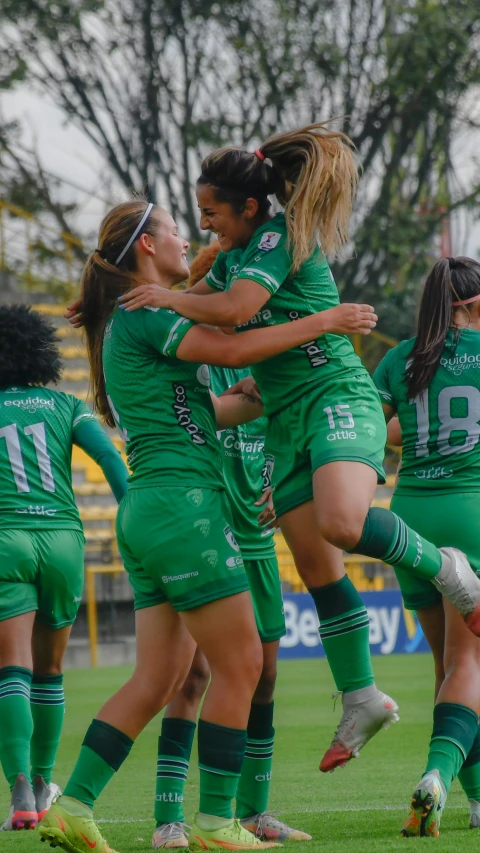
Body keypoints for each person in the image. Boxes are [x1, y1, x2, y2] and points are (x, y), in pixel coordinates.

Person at [117, 123, 480, 774]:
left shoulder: (282, 236)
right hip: (284, 418)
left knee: (342, 523)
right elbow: (202, 315)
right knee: (319, 567)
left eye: (211, 214)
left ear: (250, 208)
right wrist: (175, 297)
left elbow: (231, 312)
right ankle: (362, 695)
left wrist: (170, 293)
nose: (205, 227)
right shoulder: (229, 257)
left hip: (336, 396)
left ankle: (452, 570)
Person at [40, 200, 378, 853]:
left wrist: (254, 393)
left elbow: (204, 410)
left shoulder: (131, 315)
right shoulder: (148, 311)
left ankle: (73, 804)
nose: (186, 235)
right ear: (145, 246)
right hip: (185, 506)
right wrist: (325, 321)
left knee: (156, 679)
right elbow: (233, 339)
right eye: (171, 226)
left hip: (151, 507)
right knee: (244, 661)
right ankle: (218, 821)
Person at [151, 243, 310, 849]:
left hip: (256, 534)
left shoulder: (266, 355)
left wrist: (283, 478)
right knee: (191, 676)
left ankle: (255, 811)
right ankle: (170, 816)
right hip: (205, 530)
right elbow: (203, 420)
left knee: (264, 674)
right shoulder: (192, 354)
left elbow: (288, 429)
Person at [0, 305, 128, 832]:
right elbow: (114, 464)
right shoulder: (64, 405)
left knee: (12, 671)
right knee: (51, 671)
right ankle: (46, 779)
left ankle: (20, 796)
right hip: (61, 541)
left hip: (5, 539)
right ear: (42, 354)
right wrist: (136, 519)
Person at [373, 256, 480, 837]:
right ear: (470, 301)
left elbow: (369, 429)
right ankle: (437, 775)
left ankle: (479, 800)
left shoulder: (401, 358)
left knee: (450, 669)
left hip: (411, 516)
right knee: (472, 665)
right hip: (471, 512)